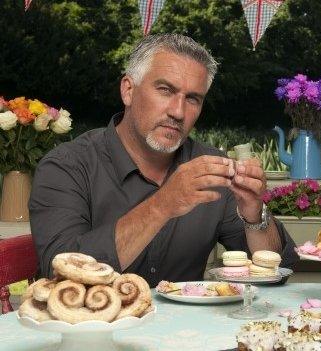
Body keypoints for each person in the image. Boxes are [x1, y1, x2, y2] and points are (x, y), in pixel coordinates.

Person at [29, 34, 299, 287]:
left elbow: (275, 272)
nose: (178, 112)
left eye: (192, 99)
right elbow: (60, 273)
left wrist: (254, 214)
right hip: (93, 332)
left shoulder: (213, 168)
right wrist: (164, 204)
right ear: (128, 90)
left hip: (187, 334)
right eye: (165, 90)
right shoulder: (66, 166)